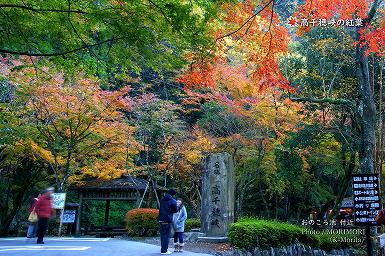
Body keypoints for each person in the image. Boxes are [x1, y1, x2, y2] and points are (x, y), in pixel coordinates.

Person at [159, 189, 178, 255]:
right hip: (167, 220)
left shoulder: (162, 200)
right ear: (173, 194)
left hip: (161, 219)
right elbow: (175, 210)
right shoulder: (173, 201)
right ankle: (164, 251)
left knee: (162, 235)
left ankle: (162, 249)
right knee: (166, 236)